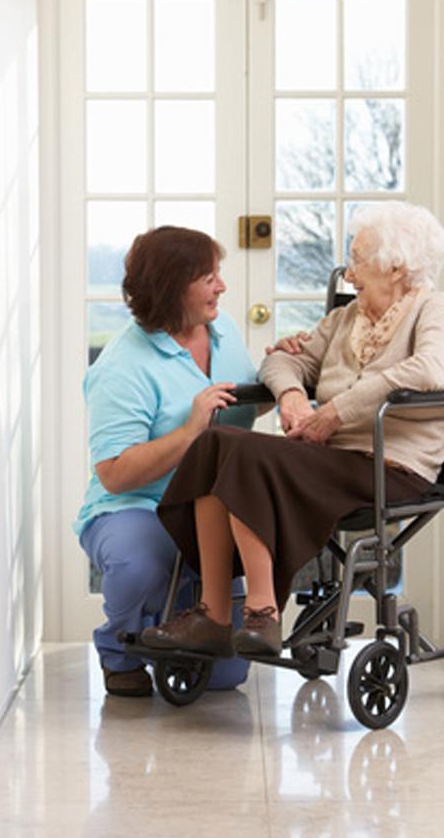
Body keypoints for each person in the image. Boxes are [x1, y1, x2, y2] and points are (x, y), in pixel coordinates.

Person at [142, 201, 444, 657]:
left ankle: (261, 612)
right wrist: (293, 396)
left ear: (395, 267)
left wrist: (334, 413)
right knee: (216, 443)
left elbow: (430, 370)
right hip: (332, 461)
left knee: (246, 454)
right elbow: (281, 359)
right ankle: (214, 615)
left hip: (392, 465)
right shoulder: (345, 319)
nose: (349, 274)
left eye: (358, 259)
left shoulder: (435, 311)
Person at [73, 226, 258, 697]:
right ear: (173, 287)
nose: (222, 286)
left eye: (219, 274)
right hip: (139, 506)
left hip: (213, 501)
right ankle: (121, 651)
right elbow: (115, 474)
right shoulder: (122, 366)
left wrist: (286, 376)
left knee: (226, 677)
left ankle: (178, 615)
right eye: (209, 277)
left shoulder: (225, 332)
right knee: (141, 562)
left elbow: (242, 410)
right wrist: (188, 430)